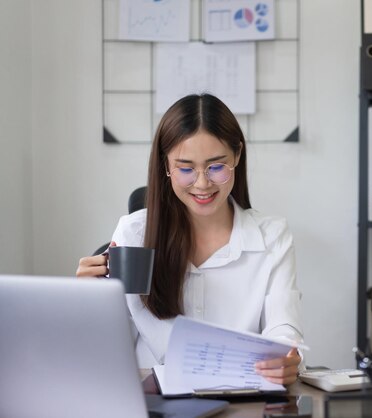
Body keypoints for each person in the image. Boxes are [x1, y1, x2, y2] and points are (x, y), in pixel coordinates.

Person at [76, 94, 303, 385]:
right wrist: (87, 302)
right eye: (185, 168)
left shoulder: (272, 237)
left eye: (216, 166)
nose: (202, 183)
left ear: (237, 156)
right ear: (166, 166)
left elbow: (283, 329)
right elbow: (105, 348)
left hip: (239, 400)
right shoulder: (133, 234)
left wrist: (285, 359)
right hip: (150, 402)